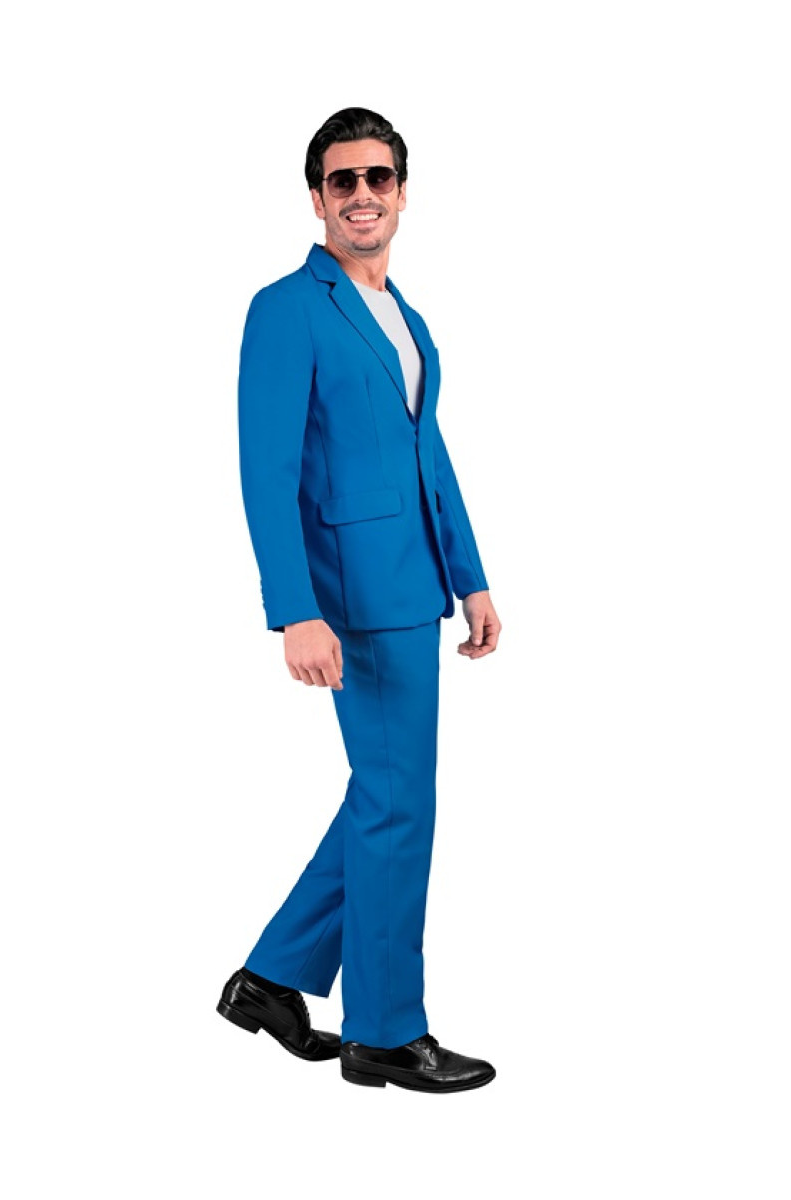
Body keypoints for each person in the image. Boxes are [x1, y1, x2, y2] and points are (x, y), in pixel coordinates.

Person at [216, 107, 501, 1094]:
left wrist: (470, 574)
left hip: (414, 586)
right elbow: (266, 471)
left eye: (379, 177)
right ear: (318, 198)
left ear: (402, 192)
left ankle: (271, 979)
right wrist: (294, 608)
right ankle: (384, 1030)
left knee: (387, 795)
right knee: (396, 802)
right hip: (351, 594)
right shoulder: (287, 309)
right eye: (343, 180)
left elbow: (428, 452)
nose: (363, 195)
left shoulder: (404, 316)